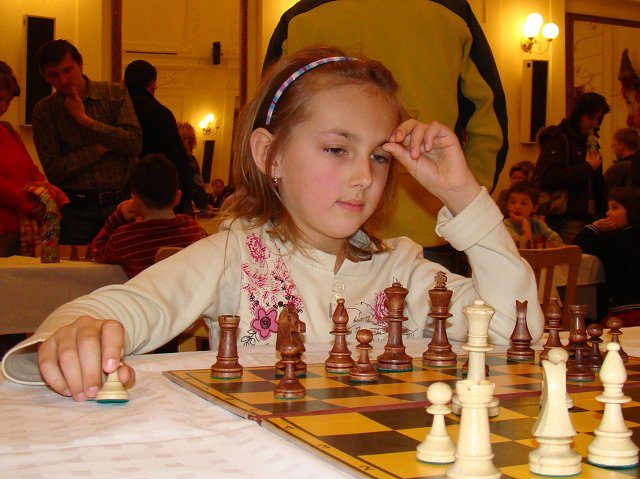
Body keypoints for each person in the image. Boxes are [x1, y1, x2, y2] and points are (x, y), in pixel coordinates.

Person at [1, 46, 543, 402]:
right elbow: (118, 308)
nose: (363, 177)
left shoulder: (403, 267)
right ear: (270, 155)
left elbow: (515, 331)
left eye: (379, 157)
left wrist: (462, 194)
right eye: (337, 149)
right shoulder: (233, 256)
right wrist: (75, 336)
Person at [263, 0, 508, 248]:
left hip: (314, 232)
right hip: (429, 228)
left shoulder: (300, 17)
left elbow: (269, 117)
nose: (365, 178)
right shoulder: (451, 11)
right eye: (335, 149)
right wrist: (464, 202)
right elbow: (488, 122)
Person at [32, 40, 142, 245]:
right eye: (53, 75)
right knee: (74, 264)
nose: (63, 80)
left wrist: (86, 121)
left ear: (80, 64)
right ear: (46, 77)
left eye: (67, 70)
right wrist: (101, 147)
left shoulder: (114, 93)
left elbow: (134, 143)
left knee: (122, 262)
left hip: (119, 203)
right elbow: (54, 170)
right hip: (75, 210)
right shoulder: (44, 111)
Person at [90, 154, 204, 278]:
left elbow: (96, 250)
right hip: (187, 291)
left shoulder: (124, 239)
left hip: (145, 291)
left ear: (136, 202)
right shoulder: (192, 230)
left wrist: (117, 217)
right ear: (177, 197)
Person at [533, 92, 610, 244]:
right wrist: (587, 167)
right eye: (591, 118)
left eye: (598, 119)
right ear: (580, 115)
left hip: (588, 216)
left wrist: (606, 212)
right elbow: (548, 178)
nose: (595, 124)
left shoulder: (590, 141)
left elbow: (597, 182)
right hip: (565, 218)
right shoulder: (559, 138)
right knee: (569, 257)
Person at [124, 60, 193, 213]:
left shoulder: (113, 110)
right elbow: (177, 158)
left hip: (116, 193)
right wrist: (183, 200)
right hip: (151, 196)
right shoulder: (160, 113)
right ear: (152, 85)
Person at [573, 187, 640, 326]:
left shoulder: (617, 240)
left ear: (632, 210)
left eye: (615, 208)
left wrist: (595, 227)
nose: (608, 213)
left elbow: (577, 246)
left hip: (626, 311)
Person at [0, 61, 46, 256]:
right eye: (0, 99)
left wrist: (44, 194)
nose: (3, 107)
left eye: (8, 101)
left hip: (20, 231)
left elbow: (31, 169)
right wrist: (27, 203)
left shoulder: (7, 129)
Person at [503, 181, 564, 249]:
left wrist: (537, 246)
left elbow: (559, 242)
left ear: (534, 208)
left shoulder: (538, 224)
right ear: (507, 205)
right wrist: (524, 222)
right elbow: (523, 247)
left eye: (523, 203)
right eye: (512, 202)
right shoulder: (505, 225)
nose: (517, 206)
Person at [176, 121, 211, 210]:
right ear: (187, 143)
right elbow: (197, 189)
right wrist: (205, 206)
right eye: (191, 147)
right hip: (181, 210)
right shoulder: (190, 161)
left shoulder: (163, 158)